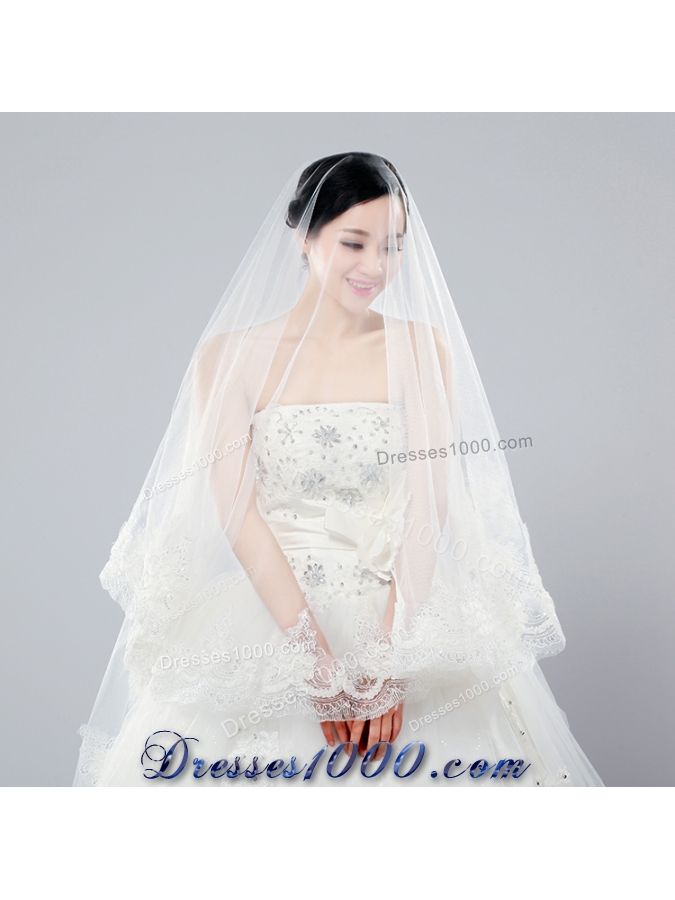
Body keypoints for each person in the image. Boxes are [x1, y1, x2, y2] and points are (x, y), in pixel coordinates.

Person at [74, 152, 604, 786]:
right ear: (305, 237)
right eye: (354, 243)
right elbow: (238, 514)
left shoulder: (422, 348)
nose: (375, 266)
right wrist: (313, 664)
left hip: (402, 610)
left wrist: (393, 659)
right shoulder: (229, 357)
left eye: (392, 246)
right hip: (275, 617)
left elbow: (429, 504)